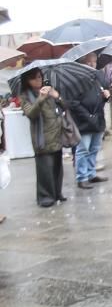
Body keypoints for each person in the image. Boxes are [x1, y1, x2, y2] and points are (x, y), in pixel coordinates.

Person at [19, 69, 66, 207]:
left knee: (57, 168)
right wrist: (40, 98)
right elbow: (31, 113)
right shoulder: (25, 96)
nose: (38, 80)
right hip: (42, 138)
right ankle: (45, 197)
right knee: (45, 168)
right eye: (34, 78)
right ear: (27, 81)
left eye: (40, 77)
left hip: (56, 133)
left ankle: (57, 193)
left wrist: (57, 96)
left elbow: (64, 108)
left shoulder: (50, 90)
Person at [68, 53, 110, 189]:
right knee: (83, 149)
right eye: (89, 62)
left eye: (94, 61)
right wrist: (88, 116)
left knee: (94, 148)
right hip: (83, 121)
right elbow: (73, 103)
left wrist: (105, 97)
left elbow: (100, 98)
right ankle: (82, 177)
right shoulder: (76, 80)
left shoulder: (97, 77)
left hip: (97, 118)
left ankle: (91, 174)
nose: (92, 64)